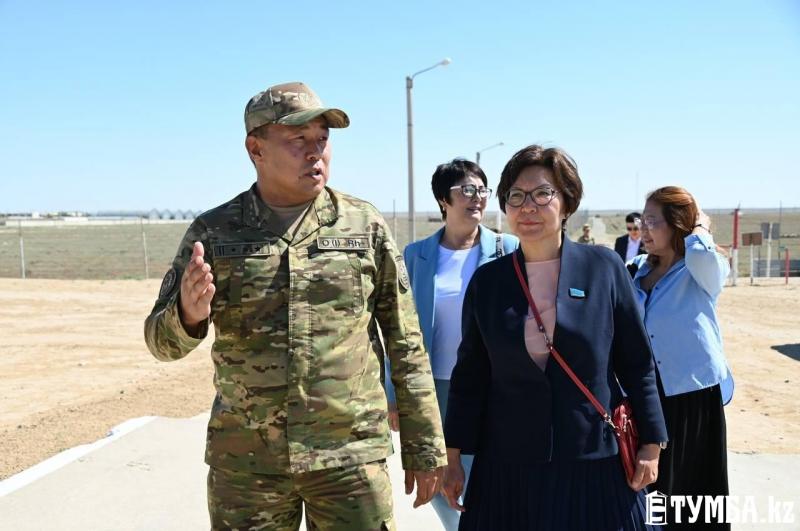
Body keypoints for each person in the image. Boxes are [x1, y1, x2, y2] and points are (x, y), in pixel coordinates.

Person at [143, 82, 446, 531]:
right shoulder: (215, 233)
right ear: (256, 149)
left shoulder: (363, 225)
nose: (315, 152)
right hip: (247, 464)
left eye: (322, 139)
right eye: (298, 139)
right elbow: (159, 343)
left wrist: (424, 446)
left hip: (349, 457)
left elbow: (406, 340)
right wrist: (187, 316)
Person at [442, 145, 668, 530]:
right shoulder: (488, 282)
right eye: (516, 196)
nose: (527, 206)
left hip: (593, 461)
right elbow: (470, 377)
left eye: (542, 193)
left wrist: (651, 443)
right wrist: (452, 457)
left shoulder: (604, 268)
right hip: (508, 468)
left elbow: (637, 363)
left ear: (567, 203)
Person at [384, 159, 518, 530]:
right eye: (467, 190)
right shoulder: (416, 255)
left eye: (482, 190)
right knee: (437, 477)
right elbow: (399, 328)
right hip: (433, 389)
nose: (477, 198)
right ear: (444, 199)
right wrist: (394, 394)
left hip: (492, 387)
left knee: (487, 479)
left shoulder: (507, 248)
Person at [630, 186, 734, 529]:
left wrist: (700, 227)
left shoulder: (701, 269)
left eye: (652, 221)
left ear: (677, 224)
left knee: (692, 493)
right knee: (652, 491)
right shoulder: (637, 270)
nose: (643, 229)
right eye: (642, 220)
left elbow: (703, 258)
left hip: (691, 396)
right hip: (648, 395)